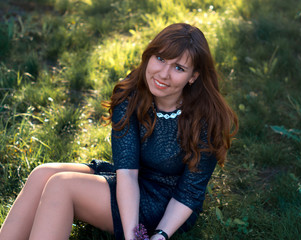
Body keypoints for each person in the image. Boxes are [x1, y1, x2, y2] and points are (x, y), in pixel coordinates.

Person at [0, 23, 238, 240]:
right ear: (149, 56)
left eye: (178, 67)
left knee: (61, 186)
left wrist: (158, 235)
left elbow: (189, 193)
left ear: (193, 76)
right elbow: (126, 173)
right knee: (42, 174)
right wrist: (132, 231)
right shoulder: (131, 93)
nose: (163, 74)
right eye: (160, 58)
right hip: (130, 182)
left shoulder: (208, 118)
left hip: (167, 203)